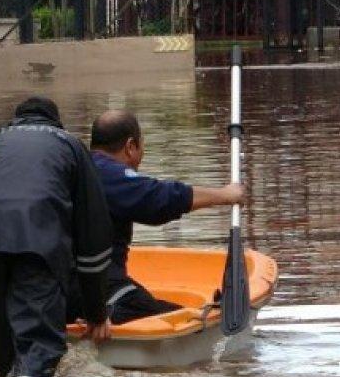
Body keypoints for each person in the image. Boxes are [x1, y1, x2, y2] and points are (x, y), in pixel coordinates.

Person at [0, 97, 113, 377]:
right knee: (39, 347)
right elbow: (92, 238)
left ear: (17, 119)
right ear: (56, 122)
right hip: (39, 246)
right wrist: (97, 313)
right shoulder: (70, 146)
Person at [88, 109, 245, 325]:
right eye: (142, 146)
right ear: (131, 147)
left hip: (61, 290)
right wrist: (225, 195)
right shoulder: (107, 174)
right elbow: (159, 199)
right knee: (185, 320)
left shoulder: (73, 169)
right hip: (99, 290)